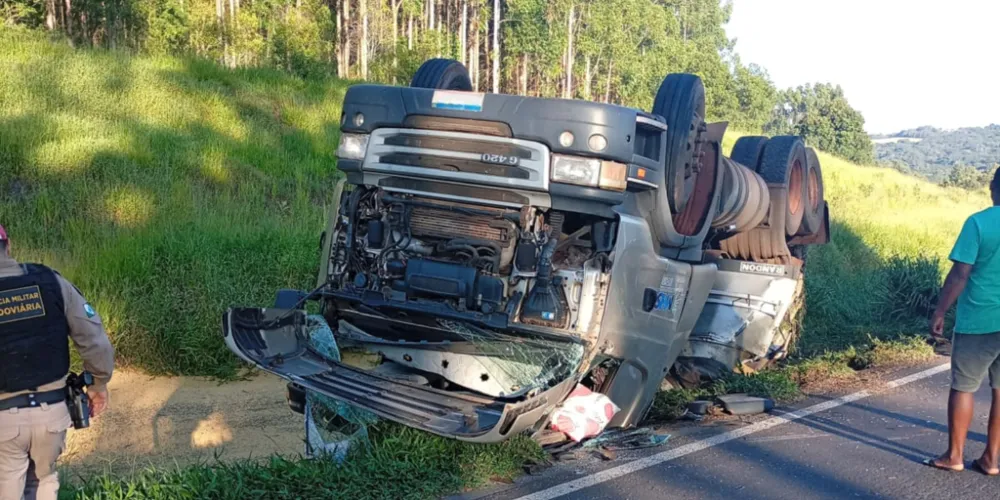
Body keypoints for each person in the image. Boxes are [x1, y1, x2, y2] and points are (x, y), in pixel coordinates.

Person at [0, 224, 115, 500]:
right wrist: (98, 383)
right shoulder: (50, 281)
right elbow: (94, 338)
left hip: (3, 420)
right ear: (9, 245)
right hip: (52, 414)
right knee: (44, 481)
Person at [926, 168, 1000, 476]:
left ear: (993, 187)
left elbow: (960, 274)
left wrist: (940, 311)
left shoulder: (978, 223)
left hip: (980, 320)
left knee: (964, 387)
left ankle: (954, 455)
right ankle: (991, 459)